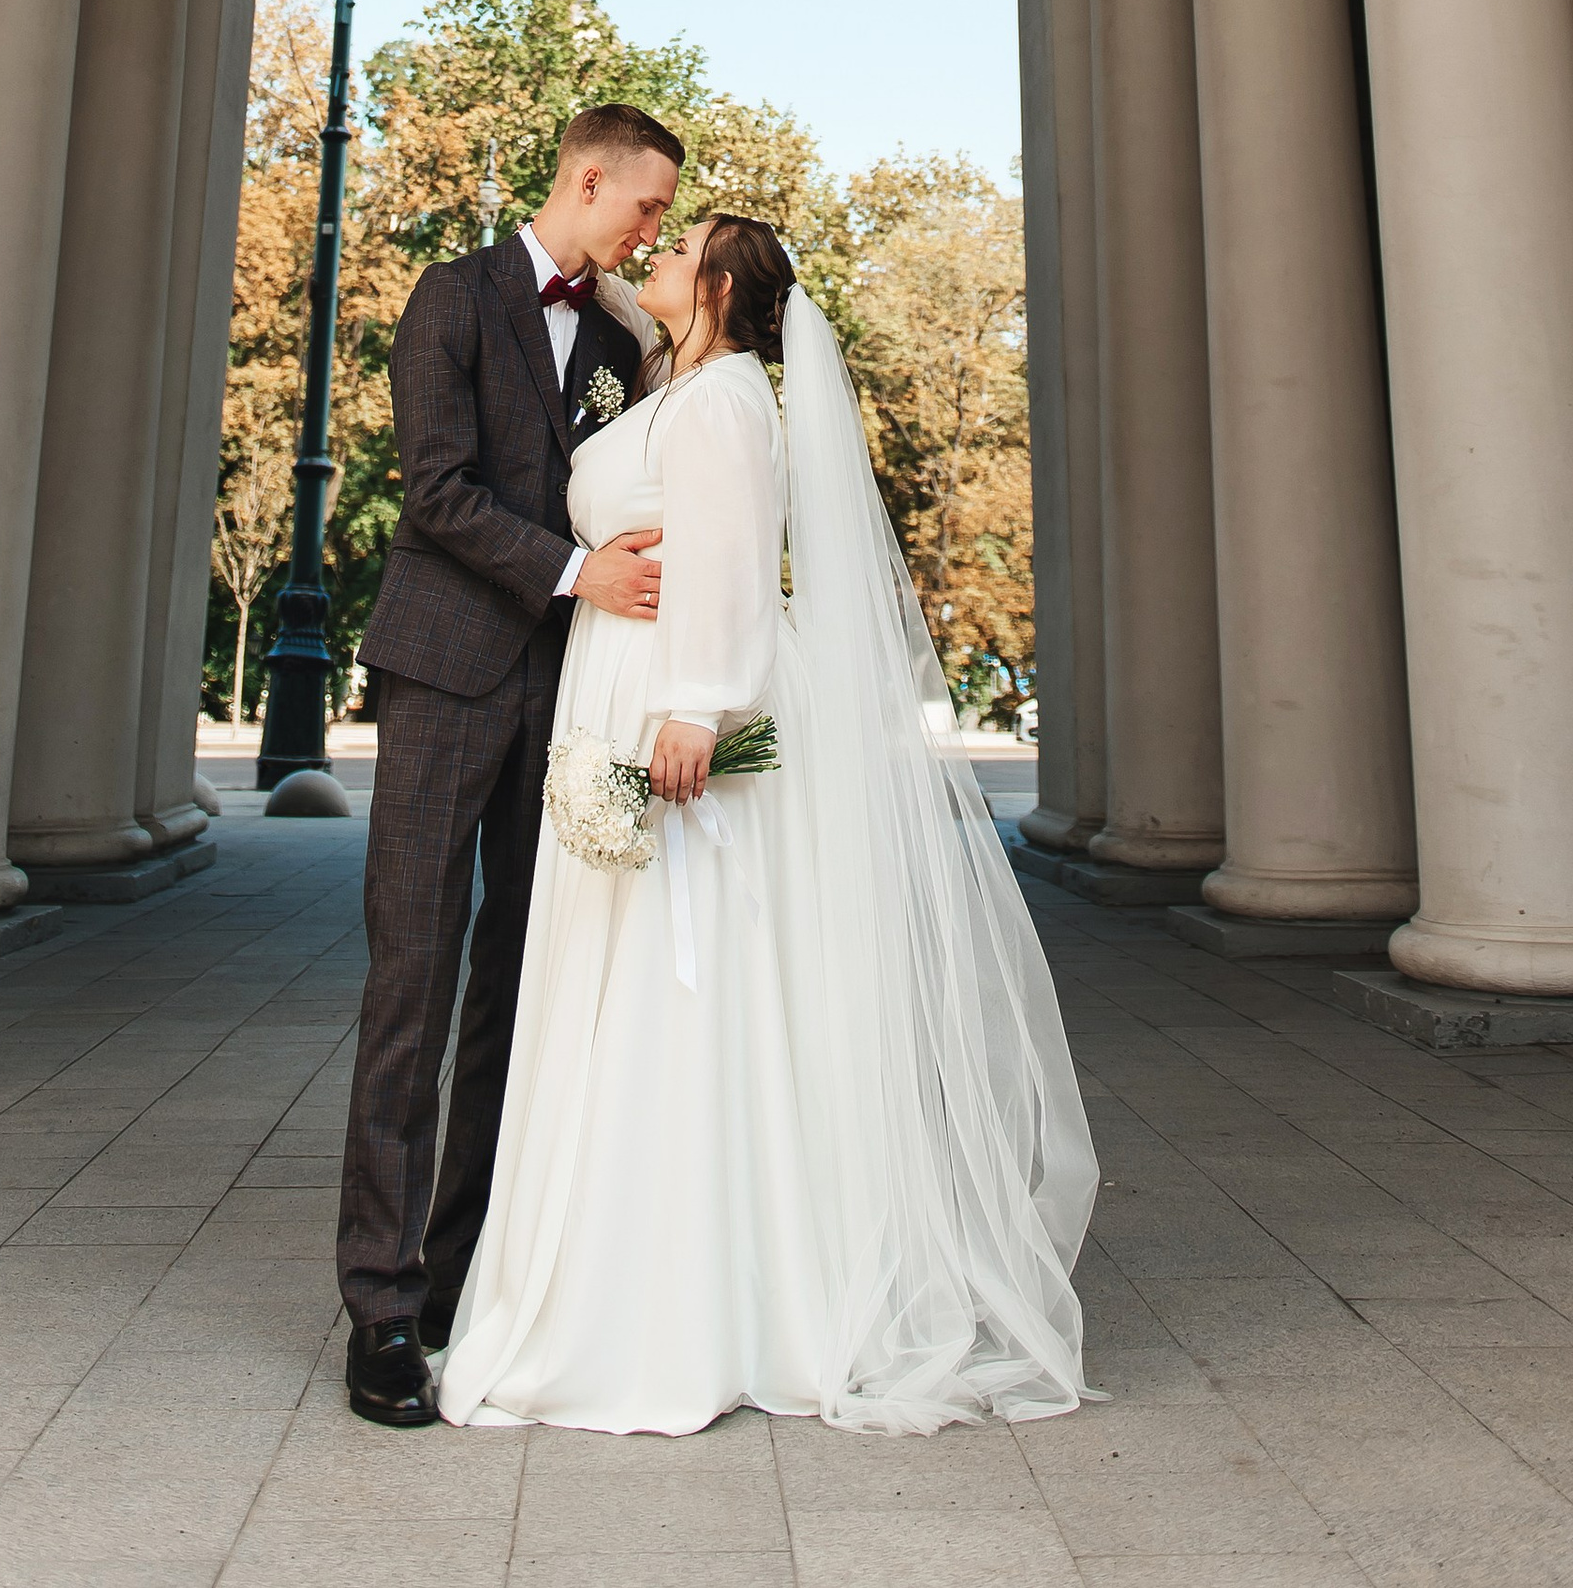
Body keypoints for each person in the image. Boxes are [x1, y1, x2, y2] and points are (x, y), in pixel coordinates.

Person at [436, 212, 1096, 1437]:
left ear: (726, 284)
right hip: (615, 670)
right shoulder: (671, 373)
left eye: (681, 242)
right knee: (624, 978)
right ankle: (611, 1277)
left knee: (679, 987)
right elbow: (607, 282)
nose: (659, 254)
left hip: (676, 696)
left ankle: (687, 1309)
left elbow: (734, 559)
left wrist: (695, 706)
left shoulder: (730, 396)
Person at [335, 101, 682, 1429]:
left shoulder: (618, 336)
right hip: (445, 670)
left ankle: (461, 1271)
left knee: (521, 986)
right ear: (587, 177)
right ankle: (377, 1303)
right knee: (412, 978)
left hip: (570, 691)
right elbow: (437, 484)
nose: (651, 228)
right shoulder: (451, 296)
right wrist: (571, 568)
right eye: (644, 205)